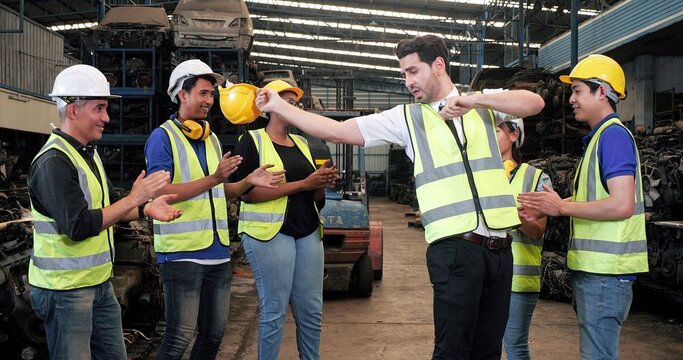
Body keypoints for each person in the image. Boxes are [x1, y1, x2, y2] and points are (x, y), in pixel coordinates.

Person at [254, 35, 545, 360]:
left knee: (489, 352)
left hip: (501, 252)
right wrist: (279, 106)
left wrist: (476, 100)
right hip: (455, 250)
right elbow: (336, 131)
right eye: (403, 74)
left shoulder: (483, 106)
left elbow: (534, 104)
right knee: (452, 351)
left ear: (438, 66)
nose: (407, 82)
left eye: (413, 71)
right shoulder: (407, 119)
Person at [28, 64, 183, 360]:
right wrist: (134, 198)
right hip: (65, 291)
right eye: (99, 108)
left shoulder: (87, 153)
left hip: (97, 284)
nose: (106, 118)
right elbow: (79, 226)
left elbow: (109, 206)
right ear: (73, 110)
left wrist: (145, 207)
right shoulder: (53, 163)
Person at [144, 59, 284, 360]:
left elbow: (220, 193)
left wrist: (247, 180)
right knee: (178, 338)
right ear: (182, 94)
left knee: (213, 337)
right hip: (182, 254)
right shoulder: (162, 138)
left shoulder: (211, 139)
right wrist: (215, 178)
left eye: (212, 95)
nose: (210, 101)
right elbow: (158, 193)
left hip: (218, 253)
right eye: (204, 93)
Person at [517, 54, 648, 360]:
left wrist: (560, 209)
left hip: (606, 273)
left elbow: (621, 204)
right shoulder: (600, 138)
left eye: (577, 91)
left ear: (601, 91)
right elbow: (597, 197)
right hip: (597, 273)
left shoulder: (613, 137)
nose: (572, 100)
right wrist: (552, 205)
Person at [230, 80, 339, 360]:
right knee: (274, 310)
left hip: (307, 231)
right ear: (269, 107)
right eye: (288, 103)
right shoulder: (251, 141)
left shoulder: (303, 143)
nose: (295, 108)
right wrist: (304, 183)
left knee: (311, 310)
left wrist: (321, 182)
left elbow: (315, 197)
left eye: (296, 104)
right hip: (269, 234)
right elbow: (248, 194)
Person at [495, 118, 551, 360]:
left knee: (514, 347)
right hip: (483, 276)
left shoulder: (536, 178)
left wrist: (510, 214)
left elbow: (538, 230)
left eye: (496, 130)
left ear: (513, 135)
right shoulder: (476, 176)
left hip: (518, 279)